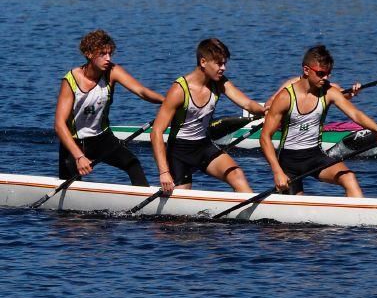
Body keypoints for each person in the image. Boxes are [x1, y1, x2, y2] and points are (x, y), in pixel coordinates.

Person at [260, 45, 377, 197]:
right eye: (320, 73)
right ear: (306, 70)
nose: (325, 78)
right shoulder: (285, 97)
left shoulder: (329, 92)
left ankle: (359, 219)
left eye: (328, 74)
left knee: (349, 178)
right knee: (297, 212)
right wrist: (277, 171)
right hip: (288, 162)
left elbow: (356, 114)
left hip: (315, 156)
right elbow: (265, 137)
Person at [151, 38, 266, 195]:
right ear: (203, 62)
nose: (223, 68)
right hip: (179, 152)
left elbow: (247, 104)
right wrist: (164, 172)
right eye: (219, 64)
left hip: (204, 147)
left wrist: (267, 113)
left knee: (236, 174)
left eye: (225, 63)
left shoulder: (219, 83)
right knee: (181, 200)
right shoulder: (179, 90)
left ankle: (252, 214)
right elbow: (156, 132)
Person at [54, 30, 165, 186]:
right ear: (89, 54)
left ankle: (145, 204)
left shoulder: (112, 72)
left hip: (102, 139)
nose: (108, 58)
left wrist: (167, 102)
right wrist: (79, 156)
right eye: (103, 54)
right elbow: (59, 124)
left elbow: (142, 91)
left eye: (110, 53)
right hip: (74, 143)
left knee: (132, 163)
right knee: (70, 187)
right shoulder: (70, 80)